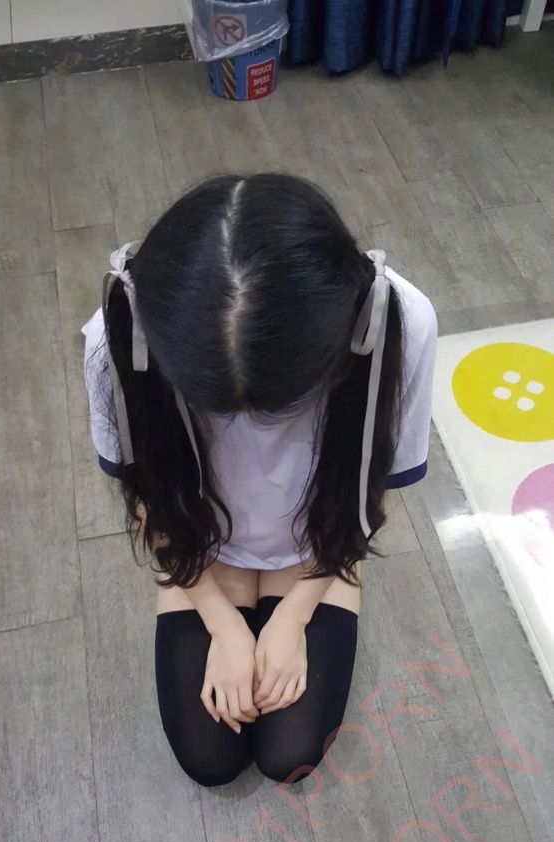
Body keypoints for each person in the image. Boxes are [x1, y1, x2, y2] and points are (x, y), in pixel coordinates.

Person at [81, 173, 437, 788]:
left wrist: (295, 614)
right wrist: (220, 619)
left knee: (288, 754)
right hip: (199, 547)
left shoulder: (397, 321)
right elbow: (149, 496)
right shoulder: (118, 332)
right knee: (210, 759)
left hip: (319, 546)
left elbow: (370, 490)